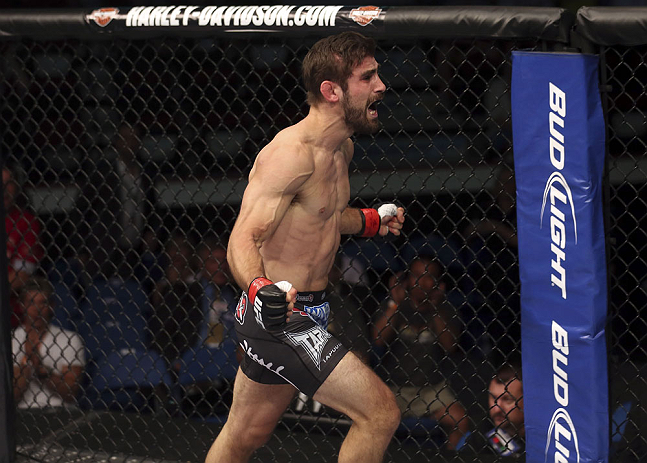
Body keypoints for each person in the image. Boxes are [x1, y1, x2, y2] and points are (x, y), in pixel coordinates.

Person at [206, 32, 405, 463]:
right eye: (367, 77)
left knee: (245, 434)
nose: (381, 86)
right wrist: (263, 290)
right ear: (331, 91)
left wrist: (372, 220)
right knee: (379, 413)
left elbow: (327, 216)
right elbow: (244, 236)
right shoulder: (290, 154)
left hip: (311, 308)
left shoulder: (341, 149)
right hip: (280, 316)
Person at [372, 256, 469, 450]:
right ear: (407, 279)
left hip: (430, 389)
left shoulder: (445, 310)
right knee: (371, 420)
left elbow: (450, 346)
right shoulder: (395, 305)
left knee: (460, 420)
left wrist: (434, 308)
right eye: (416, 275)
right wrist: (395, 303)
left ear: (438, 283)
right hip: (392, 388)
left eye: (428, 276)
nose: (421, 281)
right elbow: (378, 338)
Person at [12, 277, 85, 409]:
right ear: (22, 305)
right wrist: (26, 361)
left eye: (43, 303)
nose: (37, 309)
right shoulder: (11, 340)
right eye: (31, 303)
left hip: (61, 410)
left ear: (51, 306)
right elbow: (11, 395)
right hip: (22, 412)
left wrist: (40, 367)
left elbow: (70, 392)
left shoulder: (69, 339)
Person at [3, 163, 44, 328]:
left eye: (9, 183)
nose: (4, 189)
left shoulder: (26, 222)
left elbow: (22, 274)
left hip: (12, 316)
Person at [457, 362, 524, 456]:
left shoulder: (544, 438)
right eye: (494, 398)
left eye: (507, 400)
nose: (497, 409)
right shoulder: (480, 431)